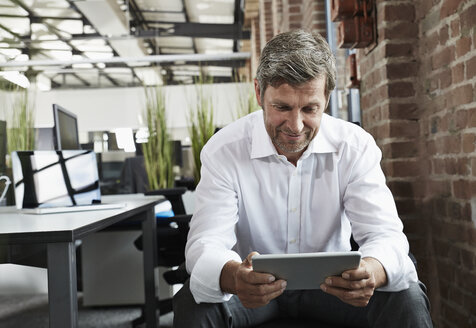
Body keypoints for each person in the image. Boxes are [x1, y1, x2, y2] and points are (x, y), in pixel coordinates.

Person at [173, 29, 432, 327]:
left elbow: (385, 236)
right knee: (194, 301)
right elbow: (205, 243)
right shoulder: (224, 150)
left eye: (310, 109)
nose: (295, 126)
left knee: (406, 296)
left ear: (327, 98)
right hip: (253, 293)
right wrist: (234, 277)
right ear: (259, 93)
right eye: (281, 107)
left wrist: (371, 271)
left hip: (332, 290)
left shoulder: (354, 146)